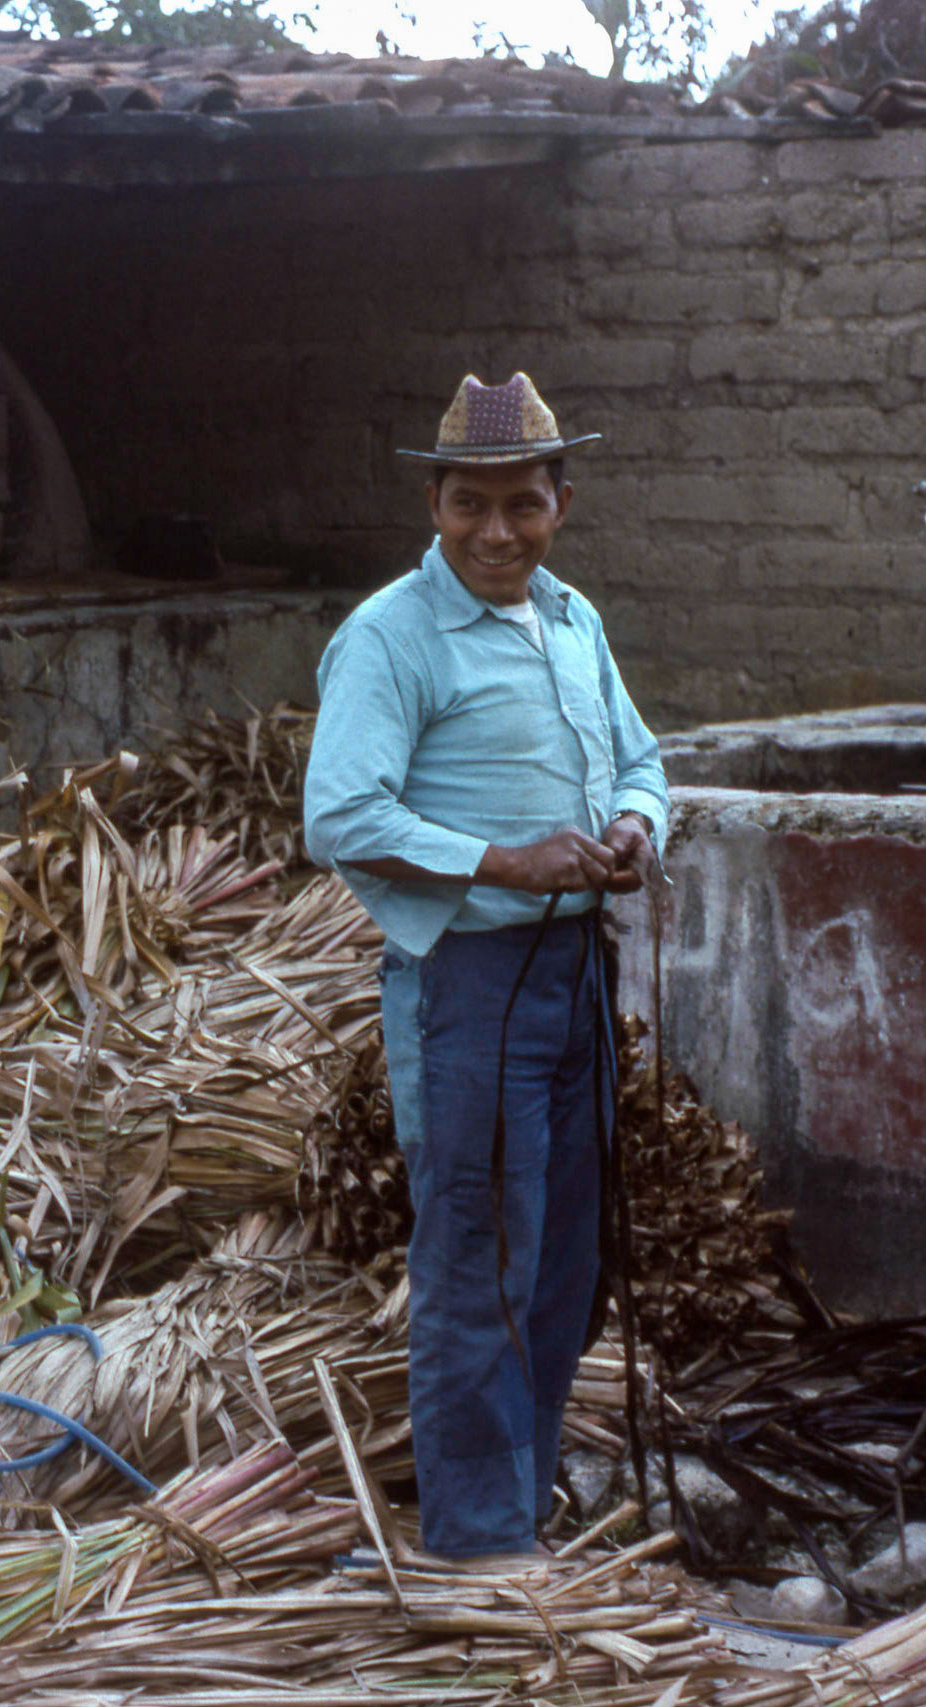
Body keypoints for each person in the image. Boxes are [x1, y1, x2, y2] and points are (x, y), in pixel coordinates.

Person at [303, 371, 669, 1564]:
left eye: (522, 506)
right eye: (470, 506)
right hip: (468, 984)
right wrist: (503, 861)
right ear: (434, 503)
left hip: (571, 976)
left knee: (563, 1253)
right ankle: (473, 1545)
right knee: (479, 1255)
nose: (496, 533)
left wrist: (631, 827)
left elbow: (642, 760)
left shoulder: (572, 619)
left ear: (562, 500)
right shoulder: (390, 638)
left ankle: (519, 1496)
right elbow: (343, 815)